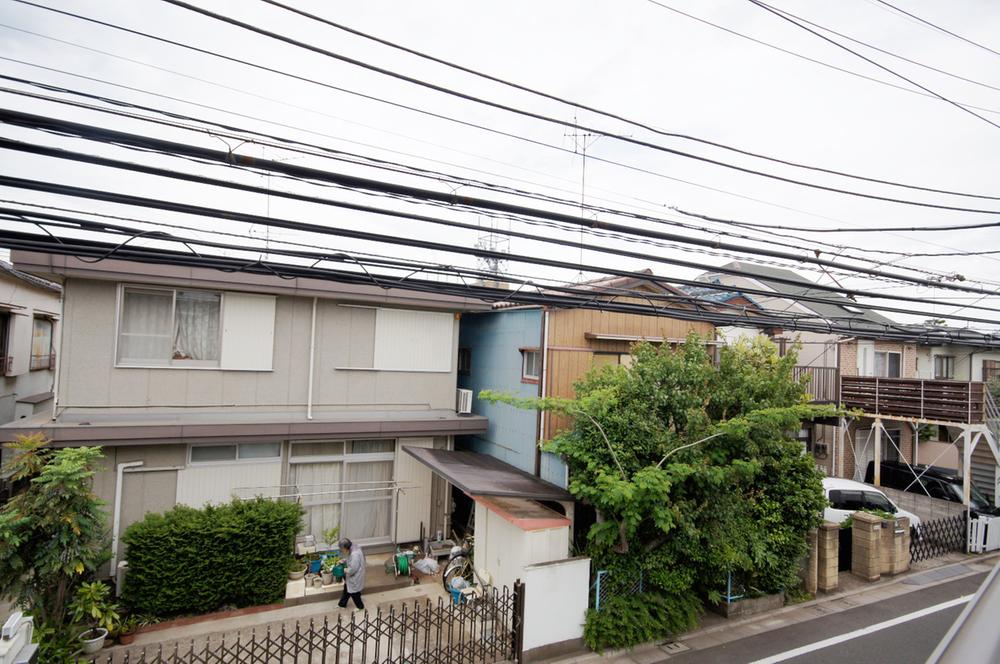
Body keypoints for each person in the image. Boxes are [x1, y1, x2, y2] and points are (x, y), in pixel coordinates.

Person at [337, 537, 366, 610]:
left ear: (345, 547)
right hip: (352, 577)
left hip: (355, 576)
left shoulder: (355, 555)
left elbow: (353, 569)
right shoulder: (353, 547)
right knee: (347, 589)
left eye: (341, 549)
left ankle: (360, 607)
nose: (341, 550)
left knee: (354, 593)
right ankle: (342, 604)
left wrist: (345, 569)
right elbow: (349, 558)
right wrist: (344, 560)